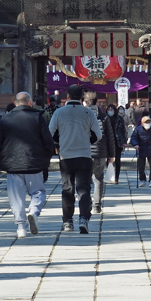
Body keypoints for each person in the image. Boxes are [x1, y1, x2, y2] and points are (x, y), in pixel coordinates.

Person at [0, 92, 54, 238]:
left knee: (16, 197)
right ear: (29, 103)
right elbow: (48, 142)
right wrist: (46, 159)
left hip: (13, 164)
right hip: (34, 162)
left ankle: (21, 227)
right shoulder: (38, 117)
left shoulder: (5, 119)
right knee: (38, 192)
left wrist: (1, 161)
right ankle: (33, 211)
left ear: (15, 103)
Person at [48, 84, 101, 233]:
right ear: (82, 98)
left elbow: (50, 132)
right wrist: (86, 141)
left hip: (66, 156)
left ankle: (68, 221)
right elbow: (98, 135)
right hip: (84, 155)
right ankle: (83, 218)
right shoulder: (87, 112)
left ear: (68, 97)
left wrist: (60, 141)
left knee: (67, 188)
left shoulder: (59, 112)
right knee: (84, 188)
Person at [90, 99, 117, 214]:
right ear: (96, 103)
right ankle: (96, 205)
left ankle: (86, 204)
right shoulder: (104, 117)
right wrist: (111, 155)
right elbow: (110, 137)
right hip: (100, 152)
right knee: (98, 179)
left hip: (84, 152)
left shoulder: (81, 116)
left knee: (84, 179)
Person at [130, 115, 151, 187]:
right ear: (142, 123)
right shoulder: (138, 129)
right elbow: (133, 138)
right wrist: (135, 144)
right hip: (141, 149)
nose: (148, 123)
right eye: (146, 122)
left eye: (149, 122)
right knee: (141, 166)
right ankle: (142, 179)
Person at [108, 104, 128, 183]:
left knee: (117, 160)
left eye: (112, 110)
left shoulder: (119, 119)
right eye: (109, 110)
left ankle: (116, 177)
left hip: (117, 141)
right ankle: (110, 176)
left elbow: (123, 131)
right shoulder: (105, 119)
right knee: (108, 160)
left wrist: (124, 142)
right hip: (108, 142)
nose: (110, 111)